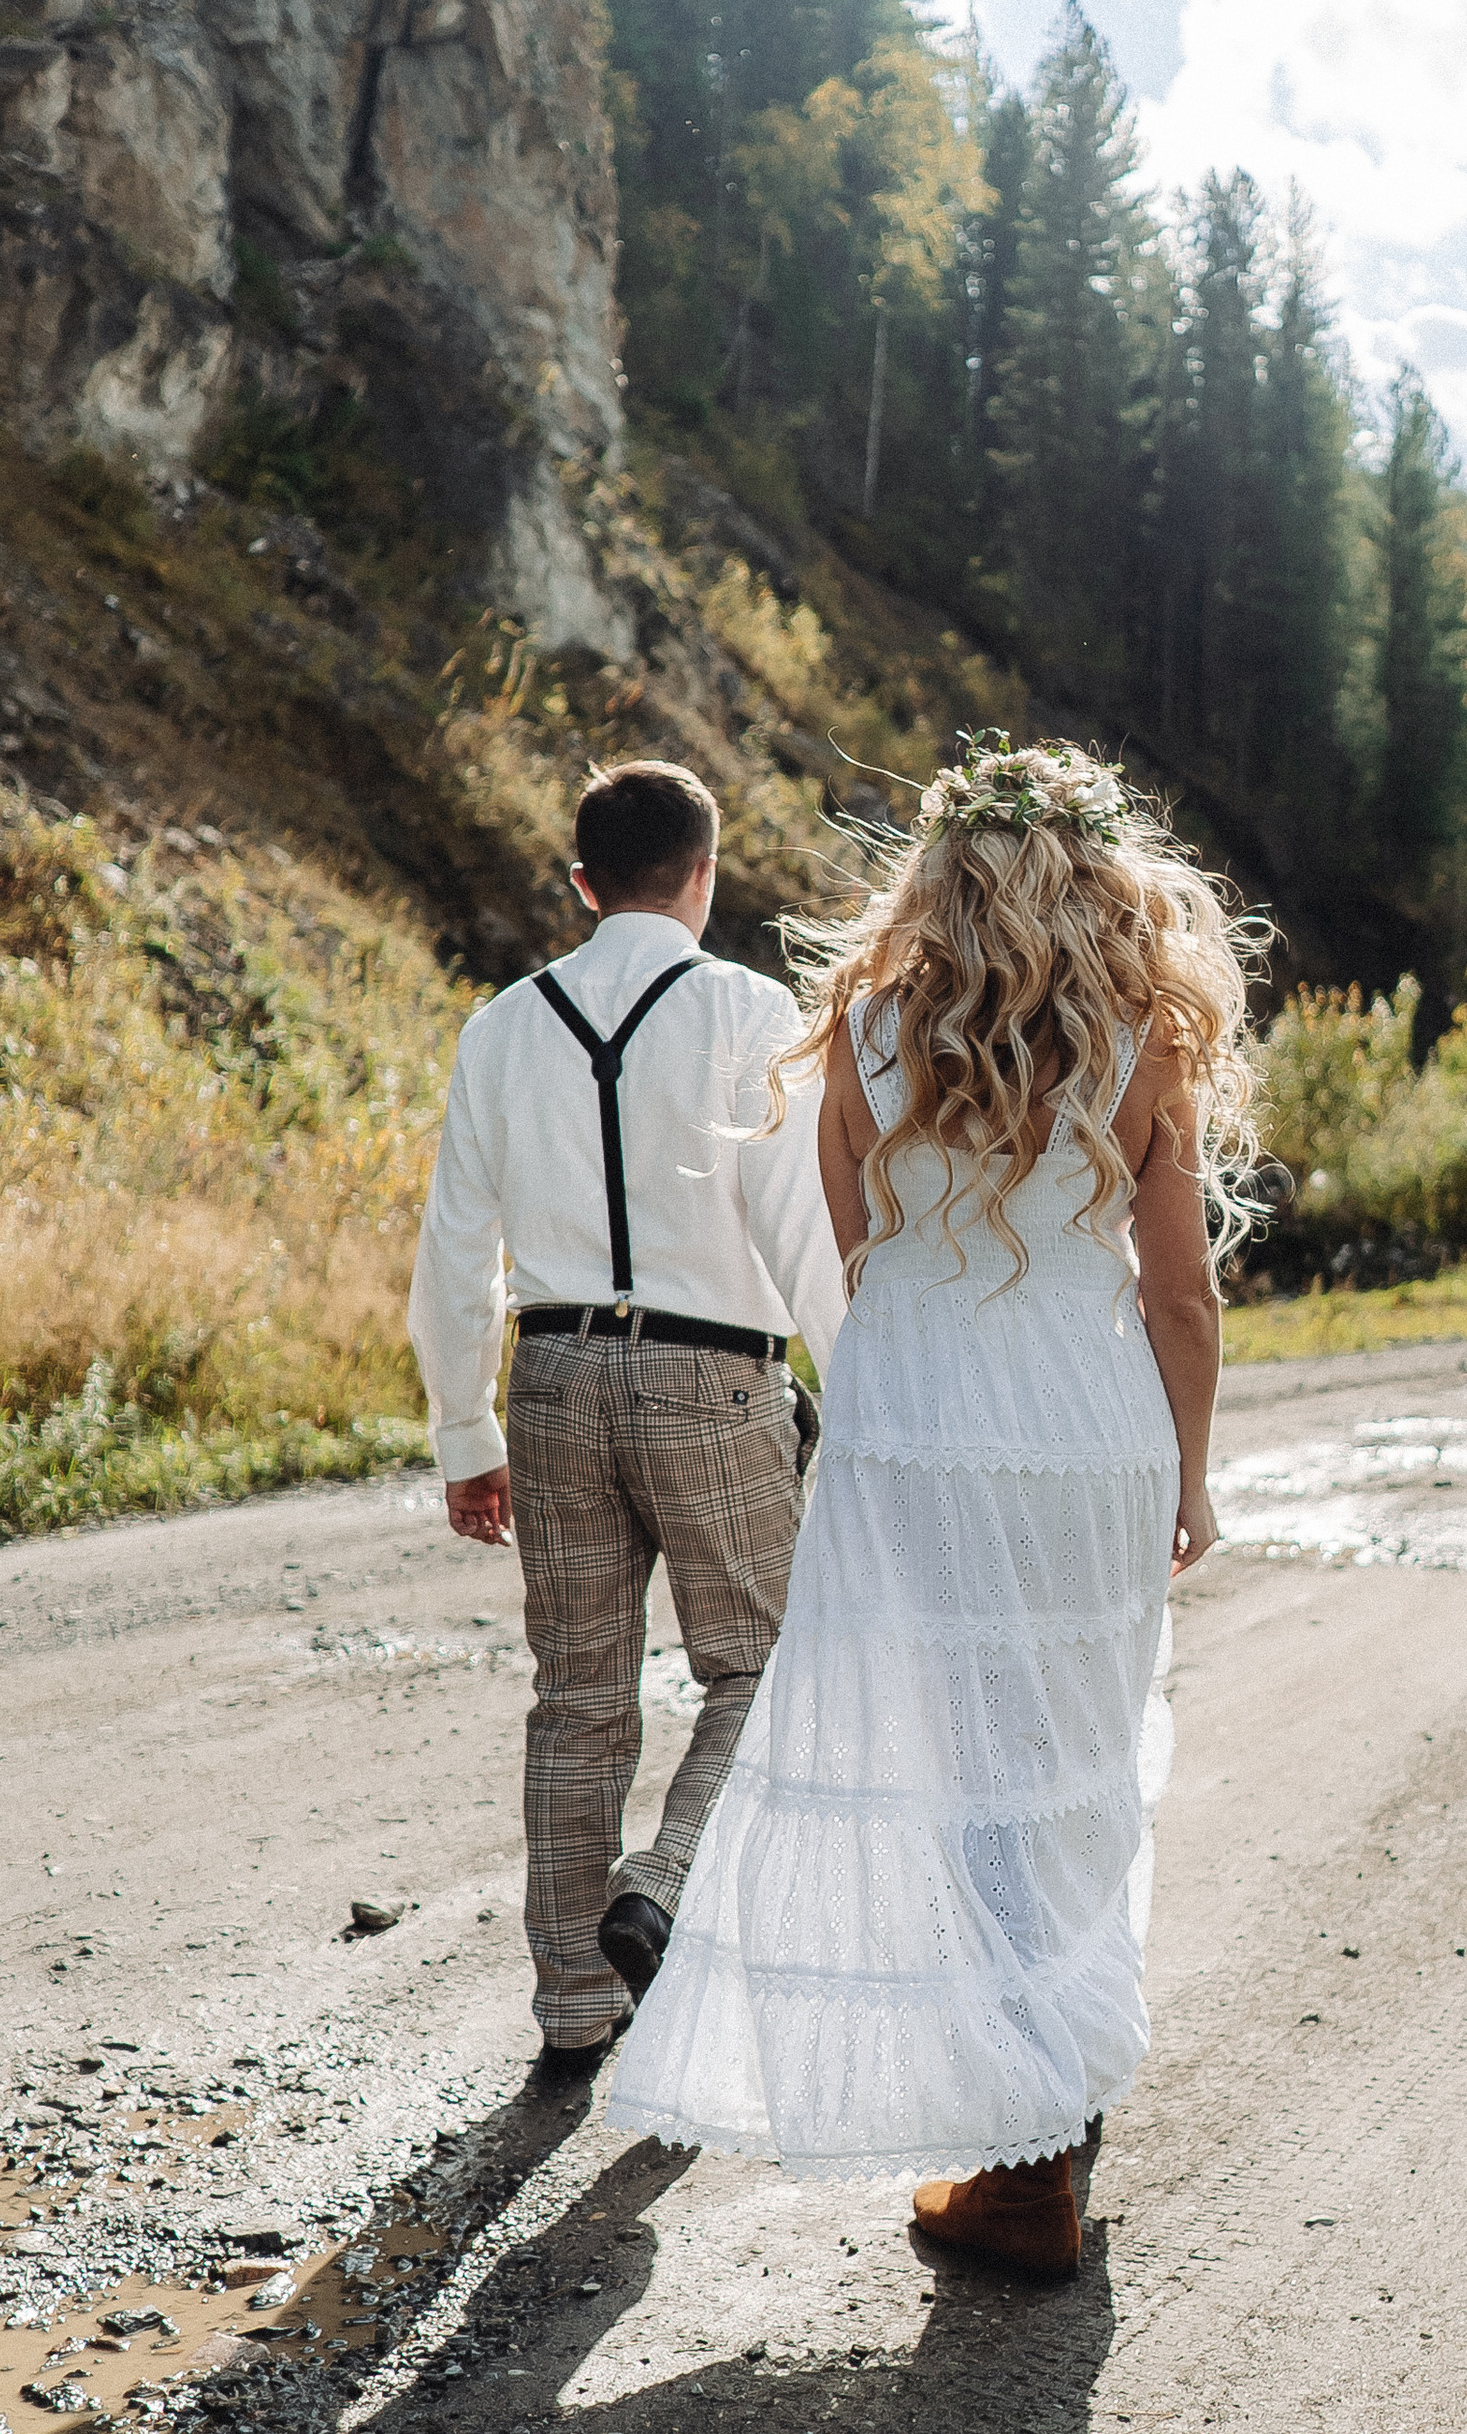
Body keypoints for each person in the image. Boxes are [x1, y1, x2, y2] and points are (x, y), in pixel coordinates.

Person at [604, 733, 1262, 2277]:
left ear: (938, 875)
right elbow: (1183, 1297)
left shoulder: (863, 1030)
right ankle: (1044, 2143)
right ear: (1103, 875)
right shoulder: (1143, 1040)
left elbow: (860, 1265)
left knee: (968, 1781)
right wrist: (1191, 1466)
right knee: (1077, 1771)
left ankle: (1020, 2152)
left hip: (921, 1442)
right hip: (1088, 1438)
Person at [407, 758, 847, 2074]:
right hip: (716, 1375)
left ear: (582, 882)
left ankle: (571, 2008)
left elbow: (450, 1254)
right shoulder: (753, 1010)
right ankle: (664, 1884)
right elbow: (806, 1231)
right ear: (703, 876)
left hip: (549, 1380)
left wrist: (464, 1435)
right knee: (760, 1668)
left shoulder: (499, 1026)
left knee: (578, 1695)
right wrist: (861, 1393)